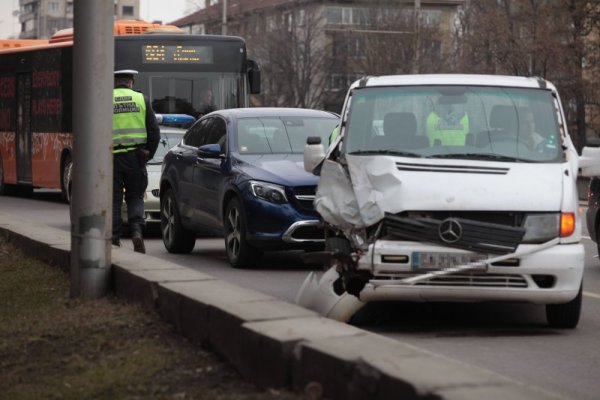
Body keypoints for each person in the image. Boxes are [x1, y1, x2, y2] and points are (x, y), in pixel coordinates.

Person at [112, 69, 160, 253]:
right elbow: (154, 132)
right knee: (135, 197)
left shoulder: (105, 98)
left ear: (116, 83)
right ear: (131, 82)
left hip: (112, 158)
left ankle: (114, 239)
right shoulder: (142, 100)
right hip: (135, 158)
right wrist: (147, 154)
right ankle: (137, 232)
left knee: (114, 200)